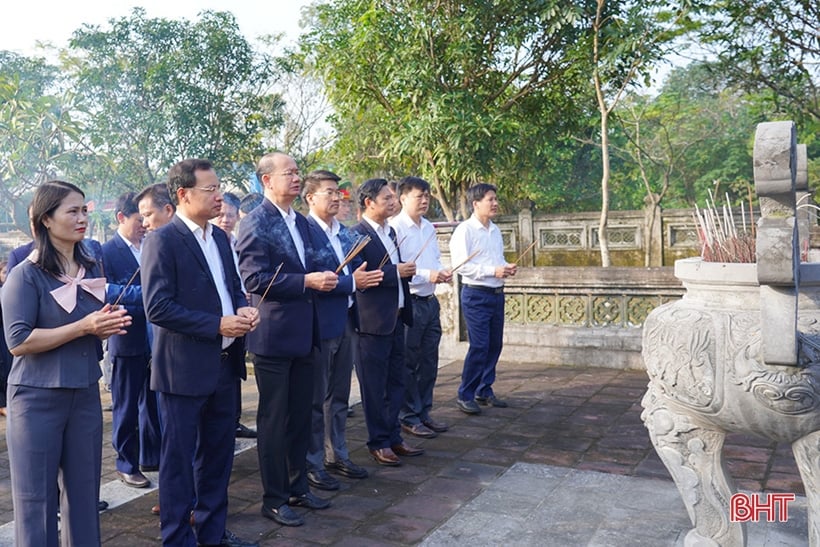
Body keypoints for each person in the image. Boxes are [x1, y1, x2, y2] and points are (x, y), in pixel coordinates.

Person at [2, 180, 131, 546]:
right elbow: (19, 341)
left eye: (84, 211)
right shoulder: (24, 275)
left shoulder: (90, 267)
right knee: (36, 503)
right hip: (36, 399)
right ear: (46, 219)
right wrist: (83, 326)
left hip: (85, 394)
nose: (82, 219)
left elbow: (85, 326)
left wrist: (103, 326)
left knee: (84, 497)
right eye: (72, 211)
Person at [141, 158, 259, 547]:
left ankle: (212, 533)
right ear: (183, 194)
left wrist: (242, 307)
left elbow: (231, 287)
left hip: (225, 366)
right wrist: (216, 324)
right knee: (178, 463)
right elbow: (157, 307)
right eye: (210, 190)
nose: (219, 197)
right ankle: (176, 538)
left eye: (219, 188)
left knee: (218, 458)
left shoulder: (221, 238)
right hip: (183, 371)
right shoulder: (163, 240)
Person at [236, 152, 337, 527]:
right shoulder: (256, 223)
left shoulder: (302, 222)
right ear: (266, 180)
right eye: (289, 173)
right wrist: (306, 282)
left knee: (300, 417)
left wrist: (330, 275)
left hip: (305, 331)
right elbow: (254, 281)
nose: (297, 179)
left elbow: (318, 261)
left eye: (298, 172)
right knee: (275, 421)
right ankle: (274, 498)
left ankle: (298, 487)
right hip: (274, 335)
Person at [302, 170, 382, 490]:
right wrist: (352, 283)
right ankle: (313, 461)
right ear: (310, 198)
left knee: (339, 397)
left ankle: (338, 453)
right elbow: (315, 279)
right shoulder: (304, 232)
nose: (337, 197)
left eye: (339, 192)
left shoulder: (344, 233)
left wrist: (354, 282)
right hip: (319, 324)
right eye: (329, 192)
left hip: (347, 319)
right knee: (316, 398)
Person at [351, 178, 423, 467]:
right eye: (387, 198)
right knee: (374, 386)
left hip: (395, 318)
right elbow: (362, 279)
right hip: (372, 322)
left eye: (394, 197)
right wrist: (396, 272)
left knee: (397, 381)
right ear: (369, 203)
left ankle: (394, 435)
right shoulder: (357, 235)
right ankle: (378, 441)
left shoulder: (390, 231)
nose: (393, 202)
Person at [103, 192, 160, 489]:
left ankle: (151, 454)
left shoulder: (150, 245)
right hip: (127, 337)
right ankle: (126, 463)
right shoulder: (106, 252)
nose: (144, 225)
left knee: (151, 402)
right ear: (121, 218)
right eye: (139, 220)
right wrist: (149, 298)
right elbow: (105, 291)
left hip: (156, 339)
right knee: (125, 406)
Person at [390, 176, 452, 438]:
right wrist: (428, 274)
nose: (425, 200)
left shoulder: (428, 227)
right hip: (410, 302)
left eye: (427, 196)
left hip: (430, 300)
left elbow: (433, 259)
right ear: (403, 198)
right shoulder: (395, 228)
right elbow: (399, 269)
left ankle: (424, 411)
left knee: (429, 361)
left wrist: (440, 273)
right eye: (419, 196)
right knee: (408, 361)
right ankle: (408, 415)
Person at [449, 183, 517, 415]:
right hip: (476, 294)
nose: (495, 203)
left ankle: (484, 389)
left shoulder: (495, 230)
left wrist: (506, 267)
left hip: (496, 293)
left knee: (494, 344)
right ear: (475, 203)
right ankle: (465, 394)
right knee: (479, 346)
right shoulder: (464, 231)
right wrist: (492, 271)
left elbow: (496, 258)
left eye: (496, 199)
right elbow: (461, 266)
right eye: (490, 199)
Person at [214, 191, 257, 439]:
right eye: (221, 215)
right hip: (220, 322)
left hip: (240, 317)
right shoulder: (213, 244)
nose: (226, 220)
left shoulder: (237, 244)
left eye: (231, 215)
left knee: (235, 372)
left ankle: (235, 420)